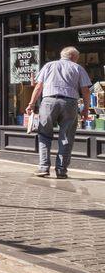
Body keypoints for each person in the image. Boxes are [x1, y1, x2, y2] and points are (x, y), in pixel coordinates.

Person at [25, 46, 92, 179]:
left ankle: (43, 168)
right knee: (66, 137)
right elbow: (85, 91)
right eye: (77, 58)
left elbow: (38, 86)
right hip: (70, 103)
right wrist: (85, 109)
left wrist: (31, 104)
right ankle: (61, 170)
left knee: (44, 134)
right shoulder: (78, 68)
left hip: (49, 101)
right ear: (73, 57)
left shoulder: (49, 65)